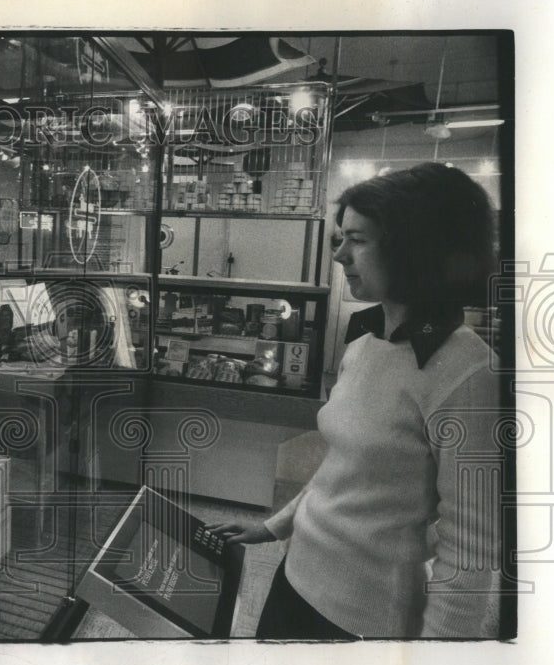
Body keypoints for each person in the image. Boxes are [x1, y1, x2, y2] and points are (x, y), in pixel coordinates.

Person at [209, 162, 504, 639]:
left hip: (363, 621)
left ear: (416, 246)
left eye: (359, 240)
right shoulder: (365, 343)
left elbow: (469, 550)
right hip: (294, 580)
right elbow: (341, 468)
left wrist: (442, 664)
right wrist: (274, 527)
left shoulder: (468, 373)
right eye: (339, 239)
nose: (340, 256)